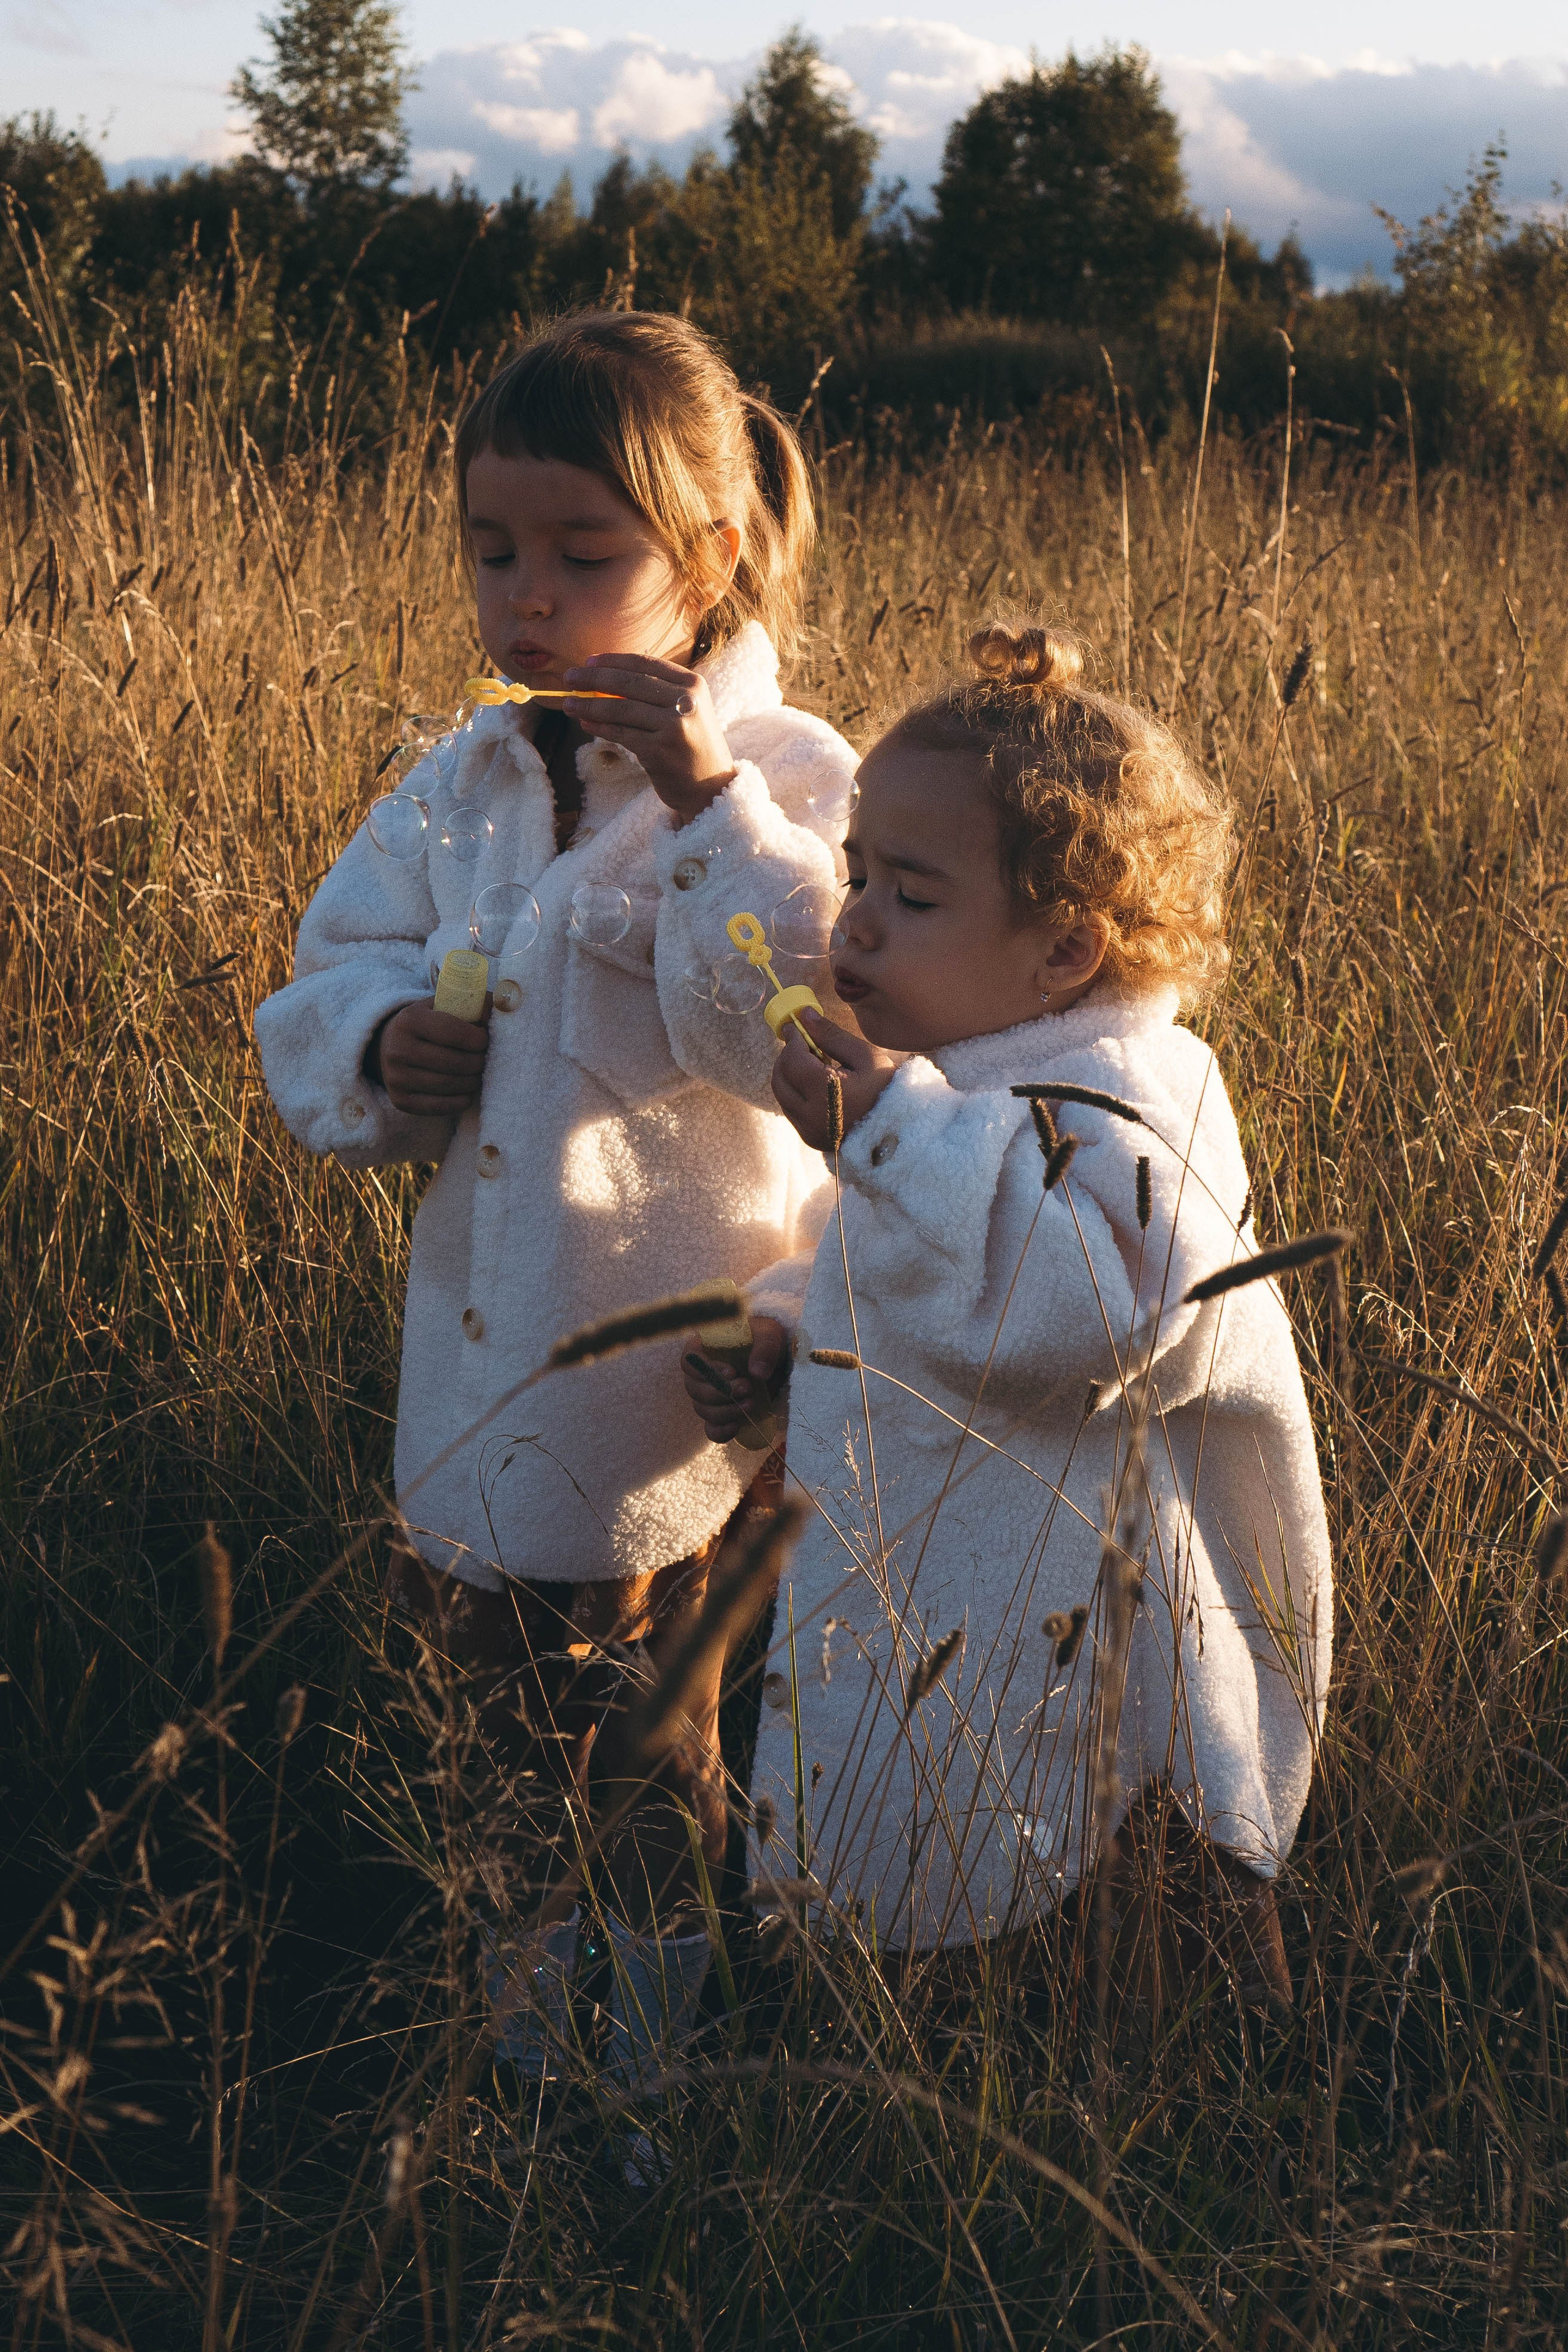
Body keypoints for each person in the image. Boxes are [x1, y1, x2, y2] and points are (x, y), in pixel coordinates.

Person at [255, 311, 857, 2079]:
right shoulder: (464, 781)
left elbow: (799, 1039)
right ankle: (528, 2062)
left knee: (644, 1759)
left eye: (585, 558)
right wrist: (379, 1050)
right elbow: (329, 965)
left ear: (712, 558)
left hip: (664, 1407)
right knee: (492, 1749)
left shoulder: (793, 780)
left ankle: (655, 2088)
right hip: (479, 1386)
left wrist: (701, 794)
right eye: (491, 549)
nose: (528, 597)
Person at [684, 622, 1332, 2013]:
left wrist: (893, 1133)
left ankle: (1210, 2161)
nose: (849, 921)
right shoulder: (959, 1079)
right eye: (855, 875)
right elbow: (884, 1260)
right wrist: (787, 1325)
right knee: (923, 1891)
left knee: (1118, 1957)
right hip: (936, 1624)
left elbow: (1093, 1318)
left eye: (908, 897)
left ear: (1061, 950)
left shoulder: (1131, 1100)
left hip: (1089, 1679)